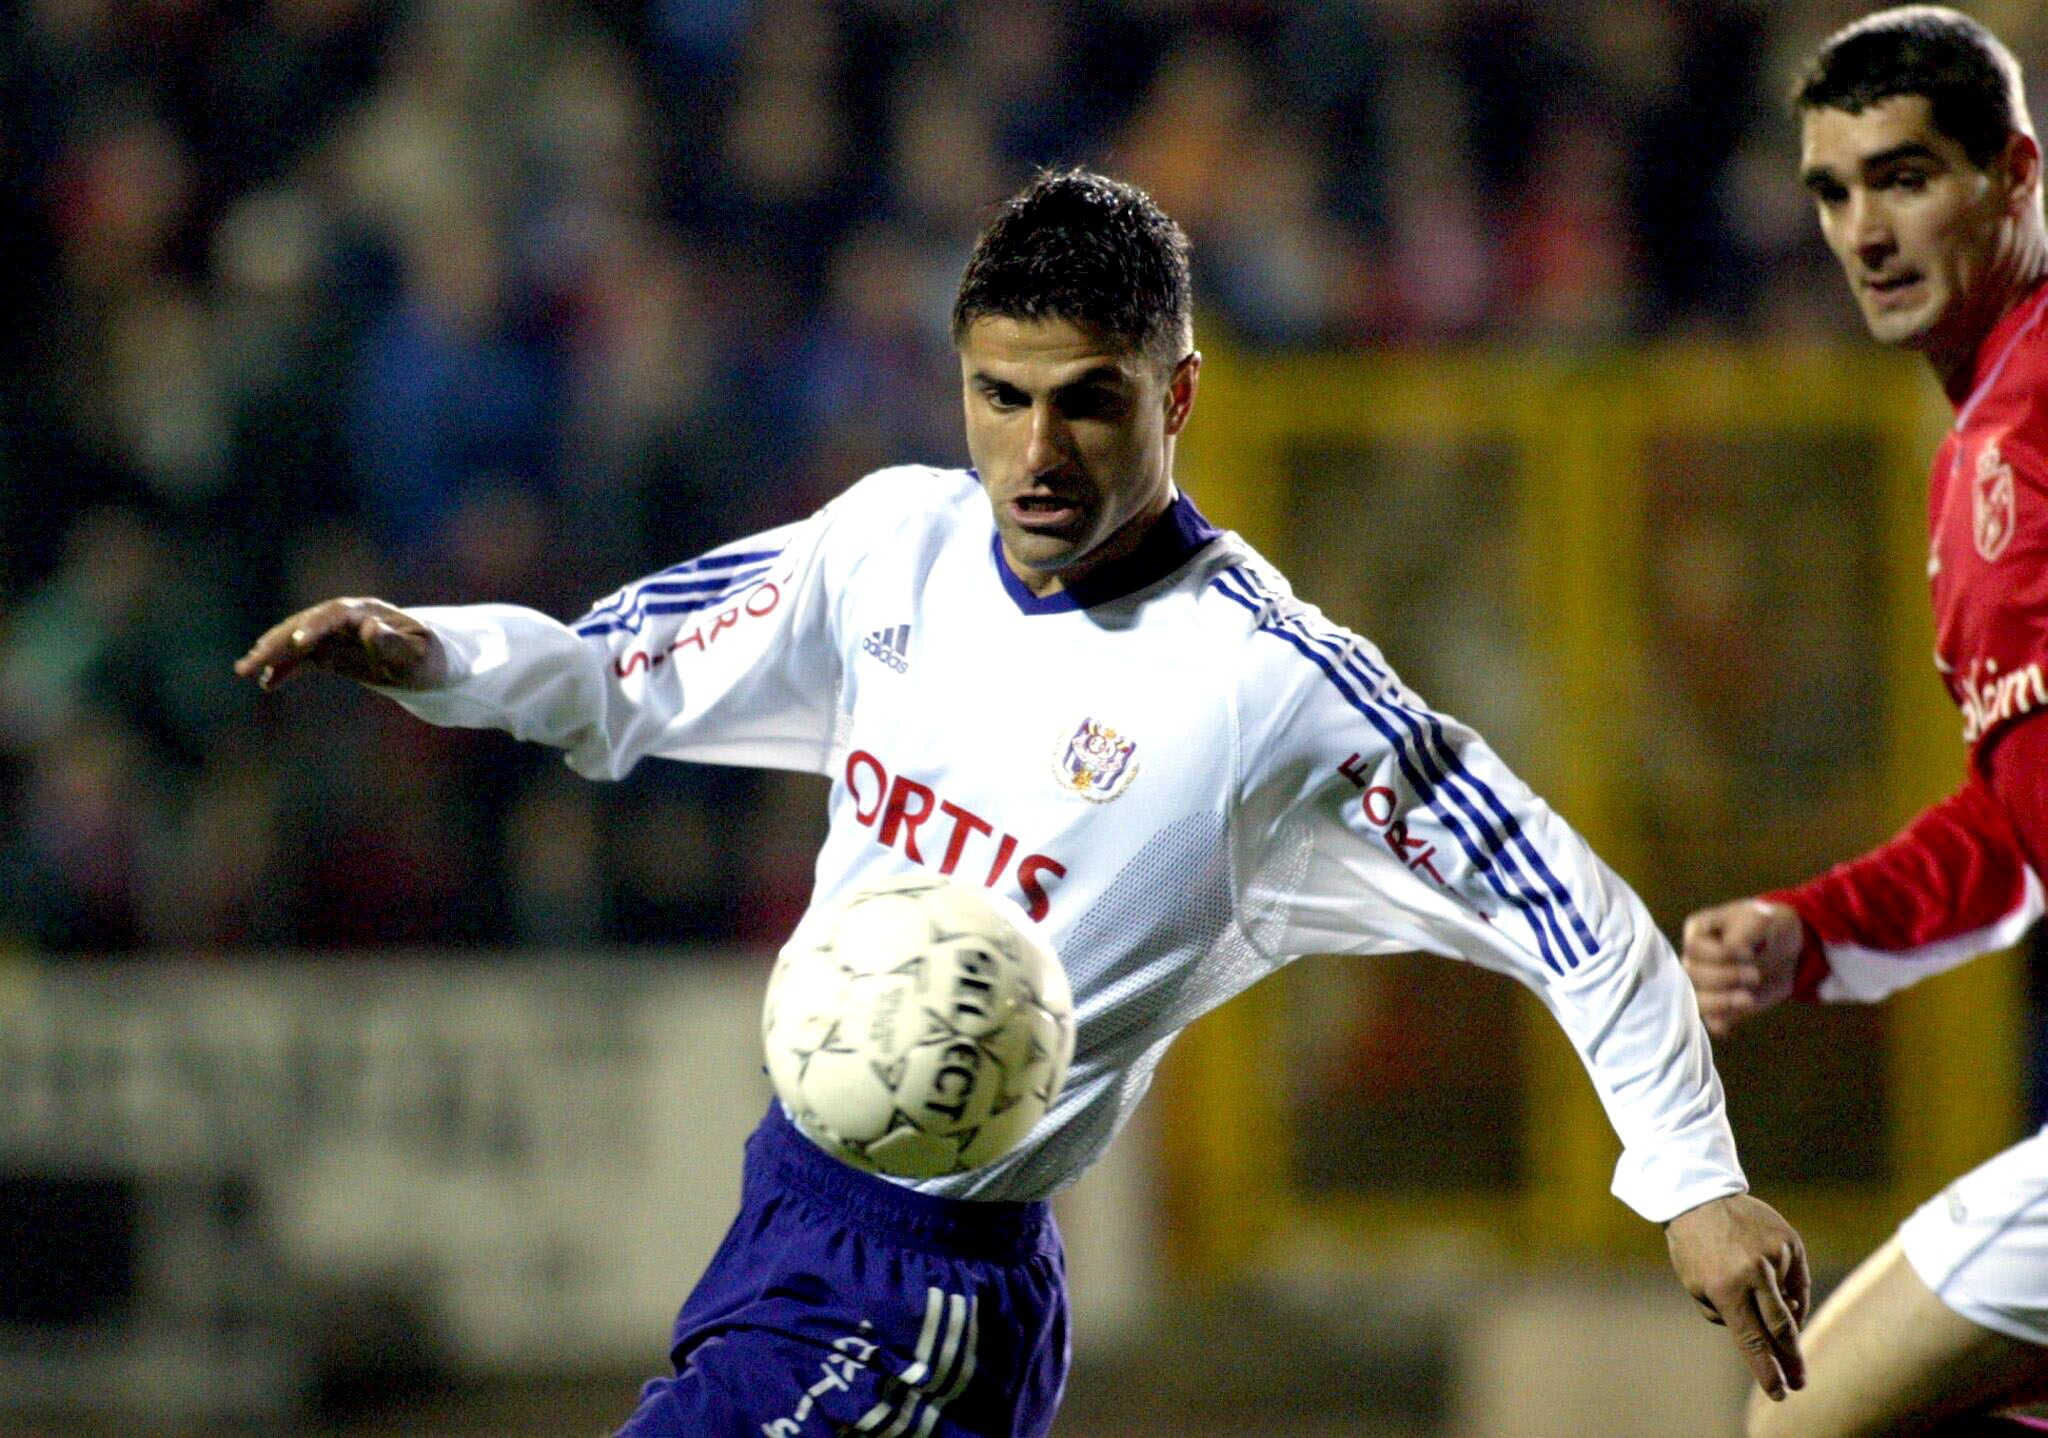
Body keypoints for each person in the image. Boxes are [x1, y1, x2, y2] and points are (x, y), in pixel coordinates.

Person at [239, 168, 1806, 1437]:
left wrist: (1695, 1180)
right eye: (1001, 396)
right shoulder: (890, 545)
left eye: (1088, 402)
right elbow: (619, 668)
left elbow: (1568, 909)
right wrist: (430, 650)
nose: (1037, 451)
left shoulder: (1270, 686)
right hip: (786, 1200)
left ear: (1178, 394)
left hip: (929, 1290)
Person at [1680, 9, 2048, 1436]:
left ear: (2014, 175)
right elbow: (2015, 826)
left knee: (1803, 1414)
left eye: (1904, 178)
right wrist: (1819, 928)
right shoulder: (1979, 441)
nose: (1863, 232)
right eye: (1832, 193)